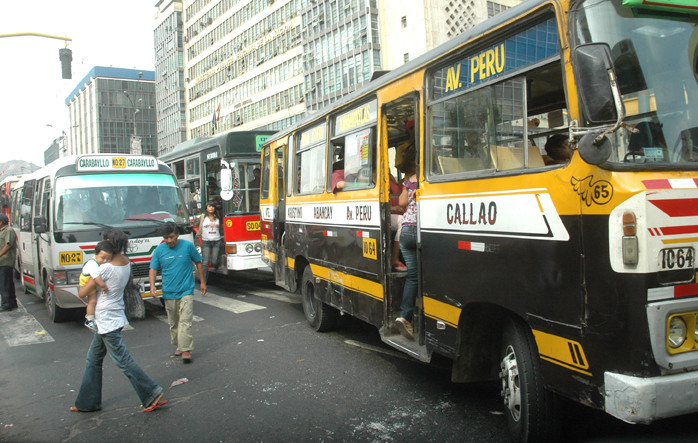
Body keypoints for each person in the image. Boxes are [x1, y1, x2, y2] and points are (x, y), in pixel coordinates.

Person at [71, 230, 166, 413]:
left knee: (123, 360)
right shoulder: (126, 262)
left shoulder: (105, 268)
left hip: (106, 318)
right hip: (114, 314)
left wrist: (85, 278)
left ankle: (151, 392)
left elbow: (82, 293)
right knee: (93, 358)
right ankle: (87, 402)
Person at [149, 222, 206, 363]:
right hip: (169, 292)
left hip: (186, 290)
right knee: (174, 322)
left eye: (171, 237)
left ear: (177, 235)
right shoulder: (159, 250)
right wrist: (152, 286)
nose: (169, 240)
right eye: (166, 237)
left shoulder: (187, 246)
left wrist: (203, 282)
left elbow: (198, 262)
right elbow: (153, 269)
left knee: (185, 321)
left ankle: (186, 349)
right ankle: (179, 345)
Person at [395, 173, 418, 340]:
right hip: (419, 229)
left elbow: (401, 203)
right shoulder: (427, 179)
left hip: (406, 231)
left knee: (413, 276)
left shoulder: (409, 182)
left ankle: (405, 316)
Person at [79, 241, 112, 331]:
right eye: (103, 258)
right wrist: (103, 286)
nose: (105, 261)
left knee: (93, 301)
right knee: (92, 301)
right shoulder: (92, 264)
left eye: (108, 259)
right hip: (86, 281)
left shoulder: (97, 262)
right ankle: (89, 319)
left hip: (89, 280)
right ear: (95, 254)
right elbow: (96, 277)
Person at [196, 201, 222, 283]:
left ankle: (217, 266)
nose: (211, 208)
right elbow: (198, 226)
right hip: (206, 241)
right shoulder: (203, 217)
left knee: (214, 261)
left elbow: (221, 227)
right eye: (210, 206)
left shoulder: (217, 217)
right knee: (205, 263)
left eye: (213, 206)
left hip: (216, 241)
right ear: (206, 207)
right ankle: (203, 281)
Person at [0, 214, 17, 312]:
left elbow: (8, 245)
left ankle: (6, 304)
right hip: (2, 261)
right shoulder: (2, 231)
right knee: (8, 283)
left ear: (1, 222)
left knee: (4, 284)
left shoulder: (8, 230)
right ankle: (12, 302)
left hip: (6, 261)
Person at [389, 174, 406, 271]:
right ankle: (394, 258)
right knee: (402, 222)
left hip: (397, 212)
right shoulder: (375, 177)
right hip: (386, 214)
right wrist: (394, 208)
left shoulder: (389, 177)